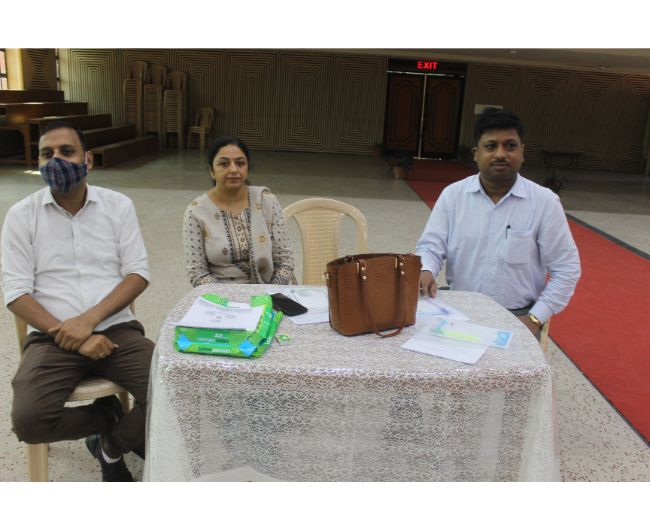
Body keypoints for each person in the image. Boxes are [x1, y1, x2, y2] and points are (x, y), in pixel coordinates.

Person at [1, 121, 153, 481]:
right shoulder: (21, 215)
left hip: (117, 330)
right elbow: (15, 292)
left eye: (66, 152)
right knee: (29, 421)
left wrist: (89, 321)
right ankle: (106, 417)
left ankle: (111, 445)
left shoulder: (118, 206)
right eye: (46, 154)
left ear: (88, 160)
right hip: (51, 336)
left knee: (175, 389)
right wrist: (72, 334)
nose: (56, 160)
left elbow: (137, 273)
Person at [416, 107, 581, 336]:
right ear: (476, 153)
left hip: (517, 316)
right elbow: (430, 247)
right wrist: (426, 269)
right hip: (458, 310)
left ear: (522, 152)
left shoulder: (544, 202)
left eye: (510, 146)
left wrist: (535, 318)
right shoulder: (453, 195)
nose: (500, 154)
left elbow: (566, 269)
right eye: (491, 146)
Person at [183, 136, 295, 286]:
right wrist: (229, 298)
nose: (234, 169)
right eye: (224, 164)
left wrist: (271, 294)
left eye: (240, 163)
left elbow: (285, 262)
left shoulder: (266, 201)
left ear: (247, 168)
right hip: (219, 295)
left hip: (269, 290)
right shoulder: (196, 211)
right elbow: (197, 274)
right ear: (211, 171)